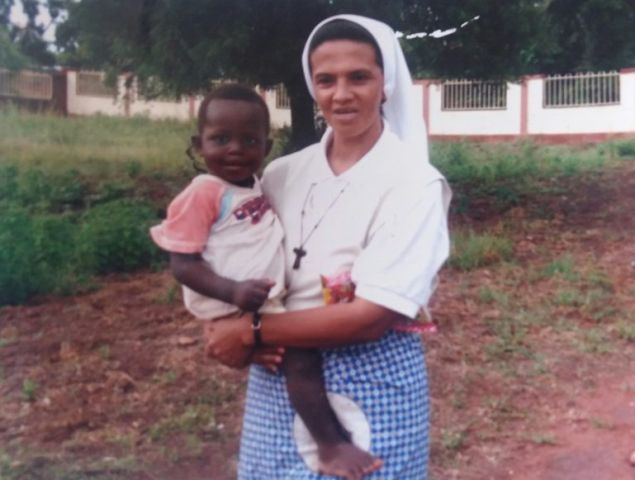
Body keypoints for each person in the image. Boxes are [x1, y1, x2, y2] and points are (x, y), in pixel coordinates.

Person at [205, 15, 452, 480]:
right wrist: (226, 327)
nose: (342, 94)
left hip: (373, 383)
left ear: (386, 83)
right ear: (312, 86)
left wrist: (251, 332)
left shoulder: (413, 183)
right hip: (281, 380)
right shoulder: (281, 175)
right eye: (326, 80)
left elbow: (370, 316)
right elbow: (233, 257)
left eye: (359, 77)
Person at [149, 83, 376, 477]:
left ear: (266, 148)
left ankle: (261, 356)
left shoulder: (257, 184)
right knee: (301, 357)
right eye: (221, 139)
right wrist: (232, 292)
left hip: (257, 300)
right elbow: (183, 265)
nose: (235, 149)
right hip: (233, 300)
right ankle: (329, 444)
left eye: (248, 140)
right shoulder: (203, 192)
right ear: (198, 144)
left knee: (284, 353)